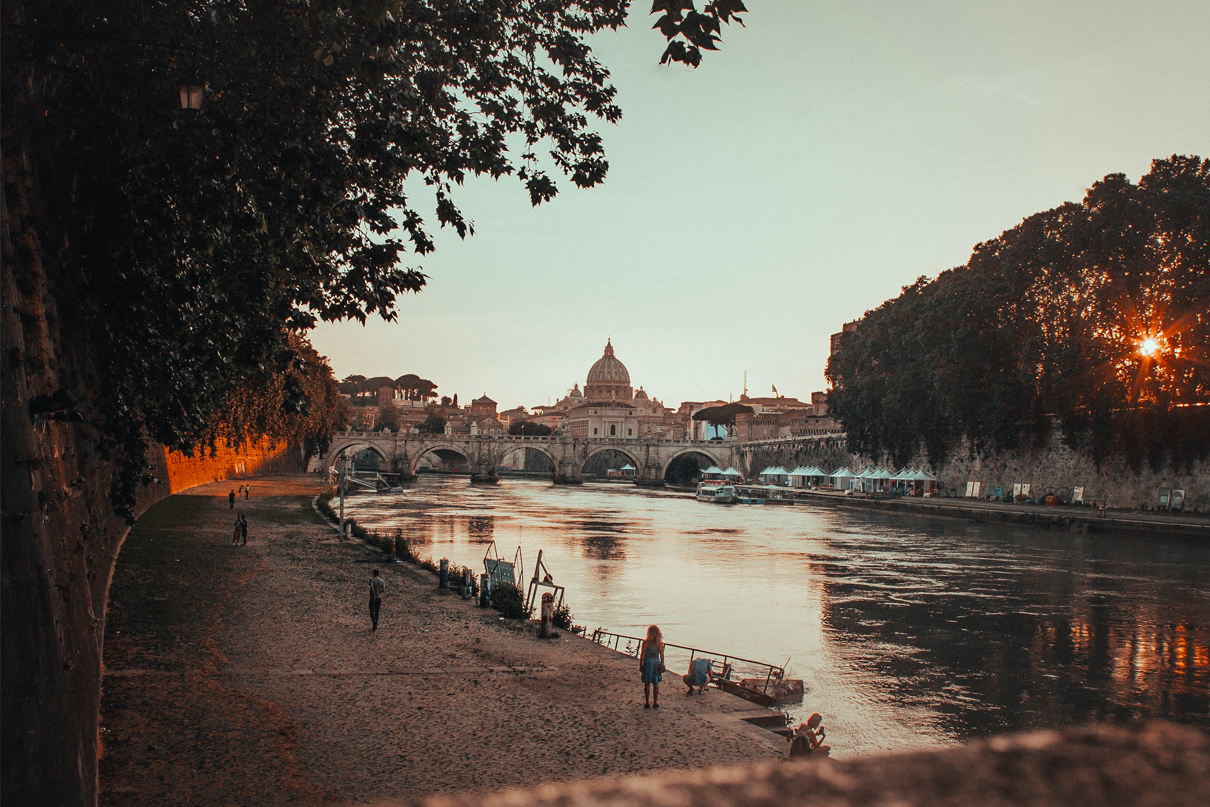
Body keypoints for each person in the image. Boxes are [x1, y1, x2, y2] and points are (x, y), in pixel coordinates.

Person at [639, 624, 665, 709]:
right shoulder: (660, 643)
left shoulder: (645, 642)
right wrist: (662, 664)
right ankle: (655, 702)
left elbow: (642, 655)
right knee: (655, 684)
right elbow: (662, 655)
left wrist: (640, 665)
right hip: (656, 663)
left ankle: (647, 702)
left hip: (647, 663)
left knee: (647, 684)